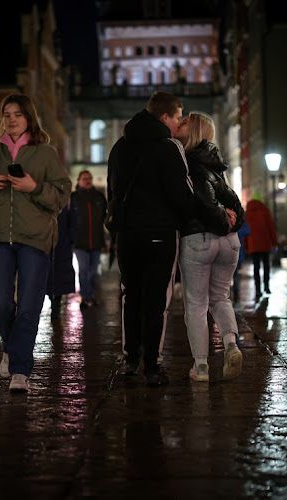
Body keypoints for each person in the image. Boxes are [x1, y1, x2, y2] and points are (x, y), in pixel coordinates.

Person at [0, 93, 71, 393]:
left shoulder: (45, 153)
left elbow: (61, 197)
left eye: (18, 113)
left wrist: (34, 186)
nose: (12, 119)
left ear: (28, 117)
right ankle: (12, 345)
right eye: (7, 113)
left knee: (29, 304)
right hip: (0, 236)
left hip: (36, 238)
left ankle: (20, 370)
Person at [107, 91, 194, 387]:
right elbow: (182, 194)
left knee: (130, 296)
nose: (178, 125)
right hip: (160, 231)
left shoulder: (119, 147)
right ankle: (153, 366)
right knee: (158, 300)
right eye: (177, 118)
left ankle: (131, 359)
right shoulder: (169, 147)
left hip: (127, 234)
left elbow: (113, 192)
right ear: (165, 117)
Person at [174, 111, 245, 382]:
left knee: (196, 303)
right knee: (220, 298)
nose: (177, 126)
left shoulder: (187, 162)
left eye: (183, 123)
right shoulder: (216, 162)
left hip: (198, 239)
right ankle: (230, 345)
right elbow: (233, 202)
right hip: (229, 242)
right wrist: (230, 224)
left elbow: (204, 200)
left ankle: (201, 366)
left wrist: (220, 220)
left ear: (191, 131)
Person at [71, 170, 107, 309]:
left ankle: (90, 296)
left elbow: (105, 216)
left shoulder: (98, 197)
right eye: (85, 178)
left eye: (90, 178)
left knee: (93, 272)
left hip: (96, 241)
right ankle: (85, 297)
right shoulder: (74, 197)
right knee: (84, 270)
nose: (88, 180)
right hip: (80, 242)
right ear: (79, 181)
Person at [47, 198, 79, 319]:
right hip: (45, 243)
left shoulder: (68, 201)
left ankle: (56, 303)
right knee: (46, 274)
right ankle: (53, 300)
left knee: (59, 274)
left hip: (62, 245)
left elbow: (74, 221)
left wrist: (70, 239)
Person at [245, 191, 278, 300]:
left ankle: (258, 289)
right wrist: (274, 242)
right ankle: (267, 286)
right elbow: (271, 227)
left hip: (253, 245)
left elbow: (245, 230)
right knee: (266, 265)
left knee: (256, 267)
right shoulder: (265, 210)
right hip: (265, 243)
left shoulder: (247, 212)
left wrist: (246, 245)